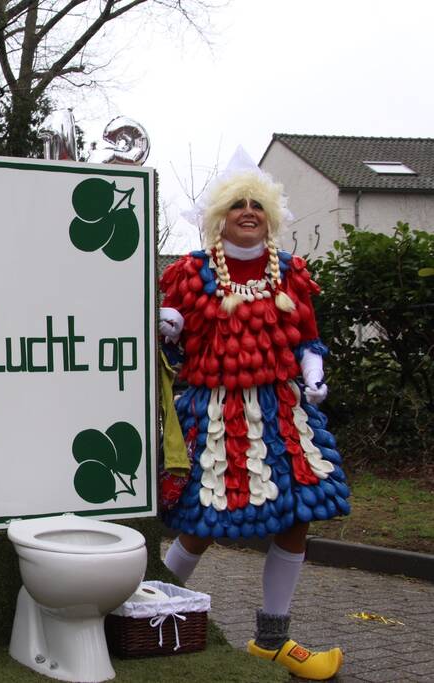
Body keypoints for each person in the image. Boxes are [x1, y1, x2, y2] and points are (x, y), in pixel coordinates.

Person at [158, 148, 349, 681]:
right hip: (214, 414)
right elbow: (168, 344)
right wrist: (166, 328)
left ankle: (273, 637)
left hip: (281, 412)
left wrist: (313, 375)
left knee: (296, 519)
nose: (248, 212)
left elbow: (309, 338)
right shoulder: (191, 273)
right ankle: (153, 614)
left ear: (270, 214)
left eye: (257, 204)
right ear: (220, 215)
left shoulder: (289, 273)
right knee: (202, 525)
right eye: (238, 204)